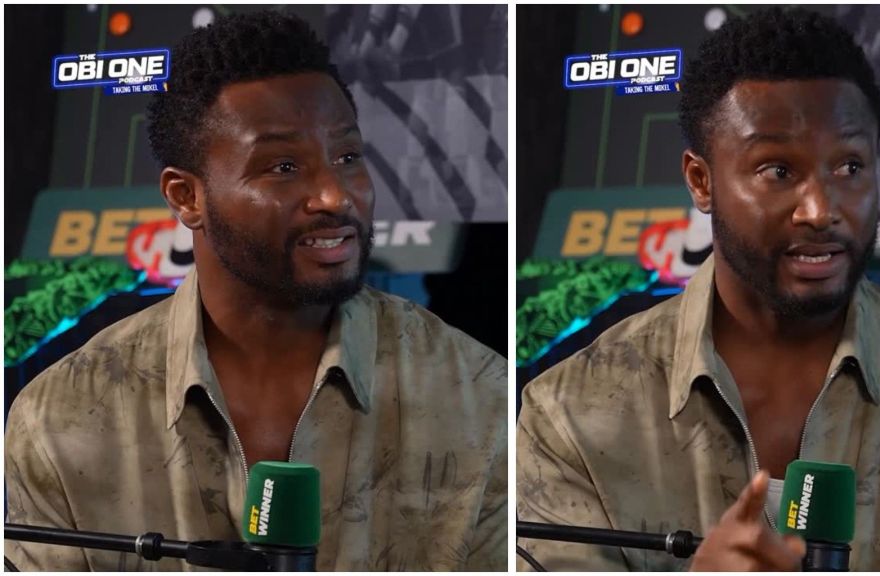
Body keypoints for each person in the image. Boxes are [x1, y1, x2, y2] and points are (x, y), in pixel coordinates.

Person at [516, 7, 880, 572]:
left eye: (850, 167)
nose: (821, 210)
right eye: (778, 170)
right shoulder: (569, 415)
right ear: (701, 181)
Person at [5, 10, 506, 571]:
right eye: (284, 166)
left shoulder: (480, 395)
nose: (335, 196)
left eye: (347, 157)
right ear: (186, 197)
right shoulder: (61, 417)